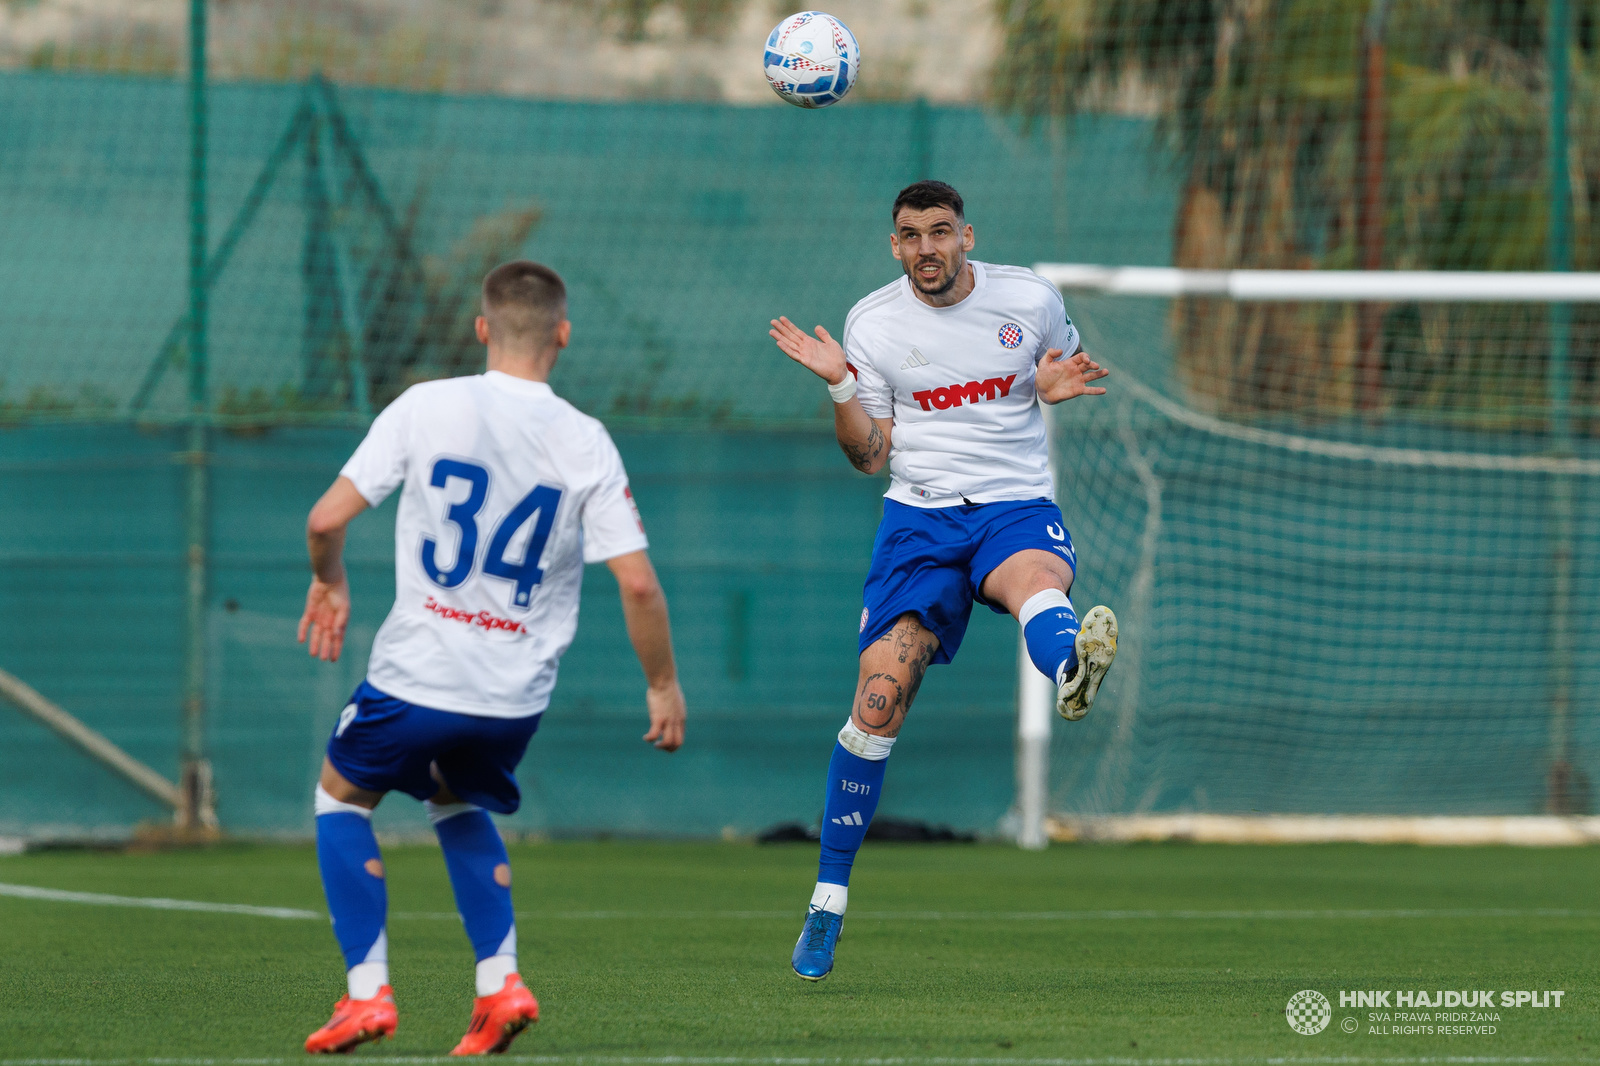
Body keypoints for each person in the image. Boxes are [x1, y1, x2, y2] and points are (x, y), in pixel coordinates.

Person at [296, 260, 686, 1054]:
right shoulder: (586, 440)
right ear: (563, 335)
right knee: (456, 798)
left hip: (417, 674)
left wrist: (327, 580)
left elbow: (325, 519)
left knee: (341, 801)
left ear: (482, 328)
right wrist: (663, 685)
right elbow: (640, 586)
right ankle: (499, 982)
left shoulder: (426, 406)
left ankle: (367, 995)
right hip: (513, 695)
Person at [769, 180, 1117, 981]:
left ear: (967, 235)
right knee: (877, 701)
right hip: (919, 520)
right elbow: (868, 456)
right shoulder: (873, 322)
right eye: (908, 235)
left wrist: (1049, 386)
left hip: (1013, 503)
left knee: (1037, 583)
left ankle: (1070, 666)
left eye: (938, 232)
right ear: (894, 246)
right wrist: (840, 387)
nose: (925, 248)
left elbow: (1057, 364)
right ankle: (826, 903)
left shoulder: (1027, 297)